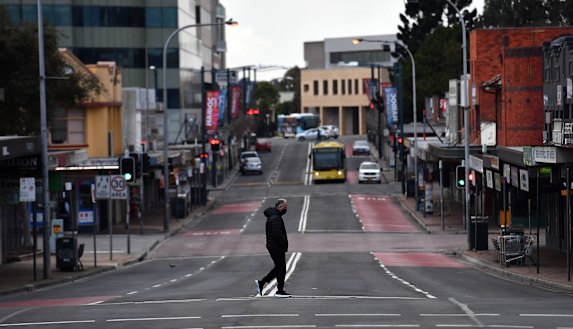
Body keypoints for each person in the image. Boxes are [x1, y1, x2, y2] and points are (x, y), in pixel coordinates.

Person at [255, 198, 291, 297]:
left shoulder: (274, 216)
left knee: (280, 268)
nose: (286, 209)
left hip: (273, 246)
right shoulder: (275, 218)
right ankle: (278, 290)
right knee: (281, 268)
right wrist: (284, 244)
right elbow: (277, 234)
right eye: (285, 207)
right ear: (280, 207)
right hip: (276, 247)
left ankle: (264, 284)